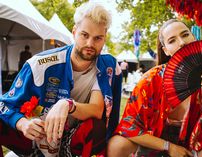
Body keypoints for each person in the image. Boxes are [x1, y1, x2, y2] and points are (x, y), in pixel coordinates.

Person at [0, 2, 122, 157]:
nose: (90, 44)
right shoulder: (39, 64)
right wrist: (23, 124)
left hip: (72, 142)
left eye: (98, 38)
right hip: (35, 136)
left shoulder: (108, 66)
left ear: (105, 38)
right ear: (74, 32)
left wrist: (67, 104)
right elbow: (4, 105)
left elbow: (97, 111)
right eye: (84, 35)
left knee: (96, 128)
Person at [107, 19, 202, 157]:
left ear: (194, 37)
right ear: (165, 50)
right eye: (172, 40)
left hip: (193, 150)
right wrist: (169, 147)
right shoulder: (151, 80)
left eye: (185, 35)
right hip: (153, 146)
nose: (182, 42)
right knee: (117, 144)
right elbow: (127, 127)